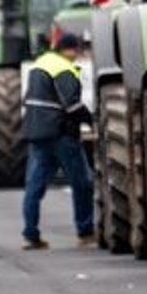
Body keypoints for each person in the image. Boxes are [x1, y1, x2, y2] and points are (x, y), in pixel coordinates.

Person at [19, 31, 95, 250]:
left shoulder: (40, 63)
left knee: (34, 185)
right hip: (60, 133)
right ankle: (86, 231)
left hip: (36, 132)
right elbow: (71, 105)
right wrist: (91, 121)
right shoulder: (63, 68)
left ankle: (31, 234)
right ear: (71, 50)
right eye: (78, 51)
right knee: (82, 182)